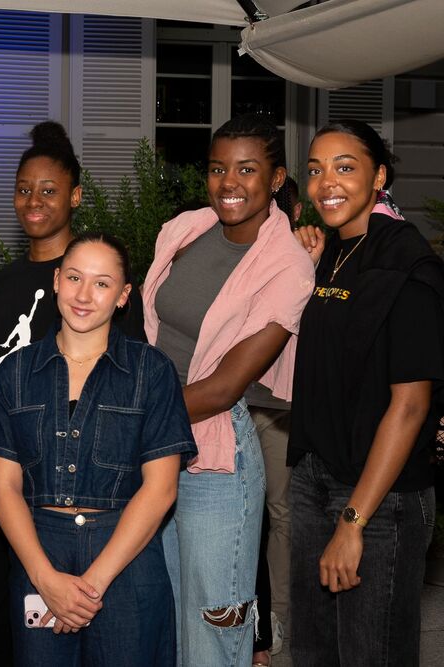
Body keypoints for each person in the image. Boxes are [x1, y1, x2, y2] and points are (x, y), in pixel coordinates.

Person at [0, 120, 144, 666]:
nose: (34, 201)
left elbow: (125, 382)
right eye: (24, 190)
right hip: (1, 468)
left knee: (73, 622)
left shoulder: (100, 282)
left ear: (76, 196)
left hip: (69, 482)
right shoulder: (3, 282)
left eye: (48, 190)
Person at [142, 114, 314, 666]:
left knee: (214, 625)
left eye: (246, 169)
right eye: (218, 169)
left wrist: (129, 416)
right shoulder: (186, 230)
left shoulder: (287, 265)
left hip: (214, 455)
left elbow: (223, 388)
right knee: (167, 614)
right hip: (156, 446)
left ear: (277, 178)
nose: (229, 183)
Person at [0, 233, 196, 666]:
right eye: (75, 277)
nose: (83, 295)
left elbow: (160, 490)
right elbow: (3, 489)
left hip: (126, 560)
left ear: (123, 296)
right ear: (56, 280)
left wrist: (91, 585)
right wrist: (47, 580)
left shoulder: (151, 372)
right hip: (39, 556)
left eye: (102, 283)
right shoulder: (14, 373)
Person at [289, 119, 443, 666]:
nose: (326, 182)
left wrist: (353, 522)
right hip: (314, 476)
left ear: (379, 177)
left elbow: (411, 405)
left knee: (369, 655)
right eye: (315, 170)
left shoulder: (408, 267)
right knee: (313, 652)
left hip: (379, 497)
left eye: (345, 167)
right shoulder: (334, 251)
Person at [247, 175, 302, 665]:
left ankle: (276, 615)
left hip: (282, 408)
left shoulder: (306, 254)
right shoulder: (239, 248)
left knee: (280, 513)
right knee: (248, 514)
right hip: (238, 401)